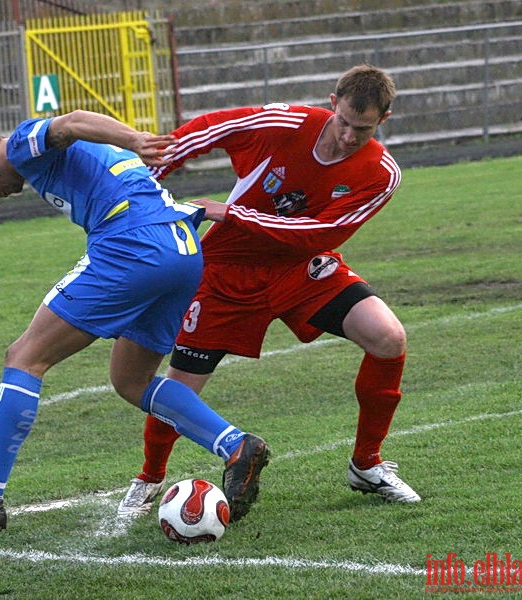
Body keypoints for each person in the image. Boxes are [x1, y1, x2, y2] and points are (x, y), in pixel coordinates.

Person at [0, 109, 270, 542]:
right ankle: (235, 445)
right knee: (131, 380)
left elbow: (70, 121)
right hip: (182, 249)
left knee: (24, 357)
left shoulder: (18, 144)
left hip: (132, 245)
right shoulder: (66, 159)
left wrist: (136, 139)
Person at [118, 64, 421, 519]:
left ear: (385, 119)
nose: (349, 136)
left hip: (302, 267)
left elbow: (320, 232)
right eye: (343, 122)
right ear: (331, 102)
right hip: (225, 270)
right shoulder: (284, 123)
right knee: (180, 387)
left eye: (364, 128)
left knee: (388, 337)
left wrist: (229, 213)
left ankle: (367, 464)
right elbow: (217, 126)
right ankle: (149, 478)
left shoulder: (381, 172)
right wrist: (159, 164)